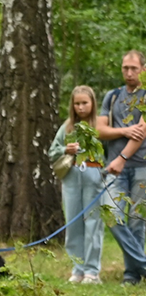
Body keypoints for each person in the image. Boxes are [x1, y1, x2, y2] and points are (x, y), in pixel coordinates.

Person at [97, 50, 146, 285]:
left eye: (133, 68)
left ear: (143, 69)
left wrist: (122, 157)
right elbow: (100, 129)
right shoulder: (113, 96)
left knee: (137, 221)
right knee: (111, 215)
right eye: (125, 68)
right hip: (114, 168)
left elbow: (142, 131)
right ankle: (143, 266)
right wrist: (124, 130)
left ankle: (132, 274)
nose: (128, 72)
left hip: (141, 167)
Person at [48, 85, 106, 284]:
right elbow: (52, 151)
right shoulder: (67, 127)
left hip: (94, 175)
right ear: (72, 106)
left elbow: (110, 149)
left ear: (92, 103)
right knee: (73, 223)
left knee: (93, 222)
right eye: (77, 103)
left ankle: (92, 271)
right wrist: (66, 148)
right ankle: (78, 268)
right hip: (71, 176)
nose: (81, 107)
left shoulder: (100, 125)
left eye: (85, 103)